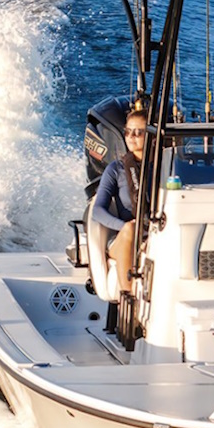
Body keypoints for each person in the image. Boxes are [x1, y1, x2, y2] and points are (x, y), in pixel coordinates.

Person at [91, 104, 148, 296]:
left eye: (138, 132)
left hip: (154, 234)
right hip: (124, 237)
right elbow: (97, 210)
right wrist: (124, 227)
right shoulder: (116, 169)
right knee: (131, 229)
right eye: (128, 132)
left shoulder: (166, 167)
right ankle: (127, 297)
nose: (131, 137)